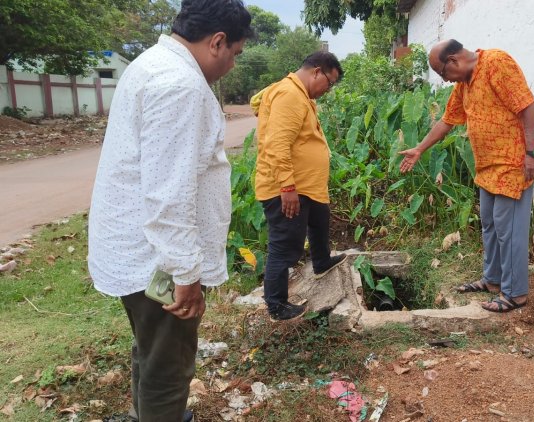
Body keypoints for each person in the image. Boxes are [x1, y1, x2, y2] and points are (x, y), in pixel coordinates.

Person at [87, 1, 253, 420]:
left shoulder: (151, 65)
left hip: (140, 247)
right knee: (168, 366)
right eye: (235, 54)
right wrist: (185, 273)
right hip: (157, 257)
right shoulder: (180, 85)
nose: (233, 64)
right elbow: (169, 193)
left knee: (151, 352)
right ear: (217, 42)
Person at [399, 39, 534, 313]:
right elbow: (447, 120)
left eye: (442, 73)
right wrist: (420, 149)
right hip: (487, 167)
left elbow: (526, 105)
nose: (445, 81)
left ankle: (515, 294)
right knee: (490, 225)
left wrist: (532, 153)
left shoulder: (496, 63)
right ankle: (493, 280)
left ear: (454, 60)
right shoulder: (464, 84)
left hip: (513, 163)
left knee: (510, 230)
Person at [254, 51, 347, 321]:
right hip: (287, 188)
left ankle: (321, 262)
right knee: (285, 245)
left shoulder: (302, 96)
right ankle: (277, 305)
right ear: (317, 71)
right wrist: (286, 187)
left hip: (308, 186)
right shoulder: (290, 95)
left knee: (320, 221)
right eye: (329, 83)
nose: (328, 90)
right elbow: (277, 144)